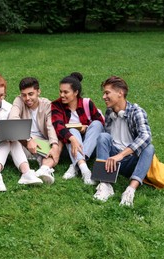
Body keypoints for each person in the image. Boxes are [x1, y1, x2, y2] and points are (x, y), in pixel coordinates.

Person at [93, 76, 154, 207]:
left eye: (107, 93)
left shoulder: (137, 112)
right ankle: (105, 184)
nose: (104, 97)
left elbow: (146, 136)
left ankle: (130, 190)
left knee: (149, 148)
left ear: (120, 93)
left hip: (130, 159)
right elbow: (107, 137)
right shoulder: (109, 111)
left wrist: (120, 155)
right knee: (103, 137)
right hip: (112, 162)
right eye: (104, 93)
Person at [51, 72, 105, 184]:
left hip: (89, 144)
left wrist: (86, 127)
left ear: (76, 92)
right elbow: (58, 126)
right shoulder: (56, 105)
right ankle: (85, 171)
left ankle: (75, 165)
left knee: (96, 124)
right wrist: (73, 138)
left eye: (66, 92)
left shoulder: (87, 103)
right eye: (60, 91)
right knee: (72, 131)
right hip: (68, 145)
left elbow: (101, 123)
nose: (62, 95)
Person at [9, 77, 60, 184]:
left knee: (57, 143)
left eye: (31, 94)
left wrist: (55, 145)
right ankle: (41, 166)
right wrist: (28, 139)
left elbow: (51, 127)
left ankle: (43, 169)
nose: (27, 98)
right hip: (24, 140)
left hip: (42, 142)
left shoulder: (47, 105)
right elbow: (13, 119)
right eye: (24, 95)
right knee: (12, 135)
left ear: (38, 92)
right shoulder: (19, 100)